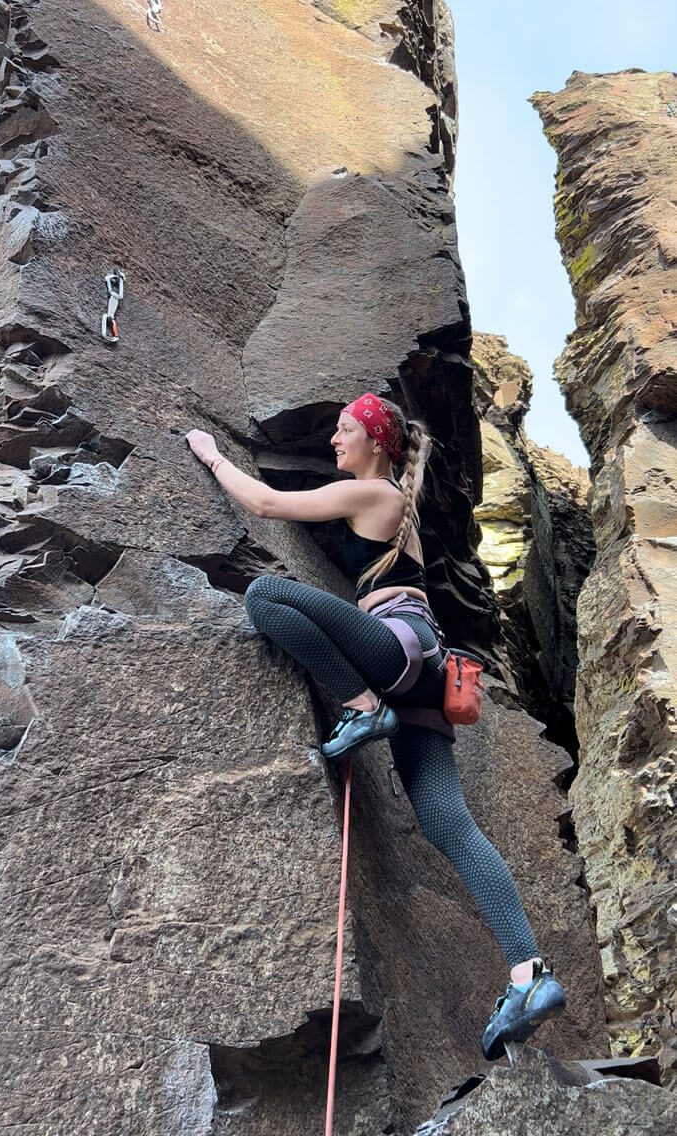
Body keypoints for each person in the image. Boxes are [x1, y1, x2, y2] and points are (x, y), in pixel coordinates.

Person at [185, 392, 566, 1060]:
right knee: (450, 827)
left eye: (344, 430)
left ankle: (362, 707)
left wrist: (213, 456)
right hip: (424, 672)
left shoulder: (374, 492)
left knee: (266, 595)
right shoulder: (395, 505)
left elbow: (267, 504)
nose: (334, 441)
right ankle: (528, 975)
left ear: (377, 443)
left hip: (398, 650)